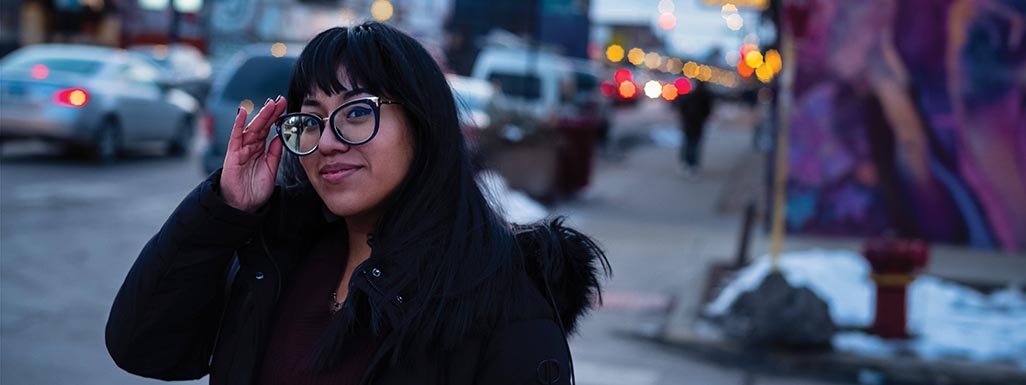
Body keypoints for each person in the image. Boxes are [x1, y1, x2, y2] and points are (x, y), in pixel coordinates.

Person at [105, 22, 609, 385]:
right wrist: (223, 210)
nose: (326, 142)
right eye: (312, 119)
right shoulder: (279, 256)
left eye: (357, 113)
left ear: (422, 123)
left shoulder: (500, 300)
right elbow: (145, 348)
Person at [675, 79, 714, 177]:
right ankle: (692, 165)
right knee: (694, 144)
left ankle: (686, 163)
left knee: (688, 143)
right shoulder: (705, 96)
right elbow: (707, 110)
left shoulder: (688, 96)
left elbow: (681, 108)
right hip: (697, 124)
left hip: (688, 123)